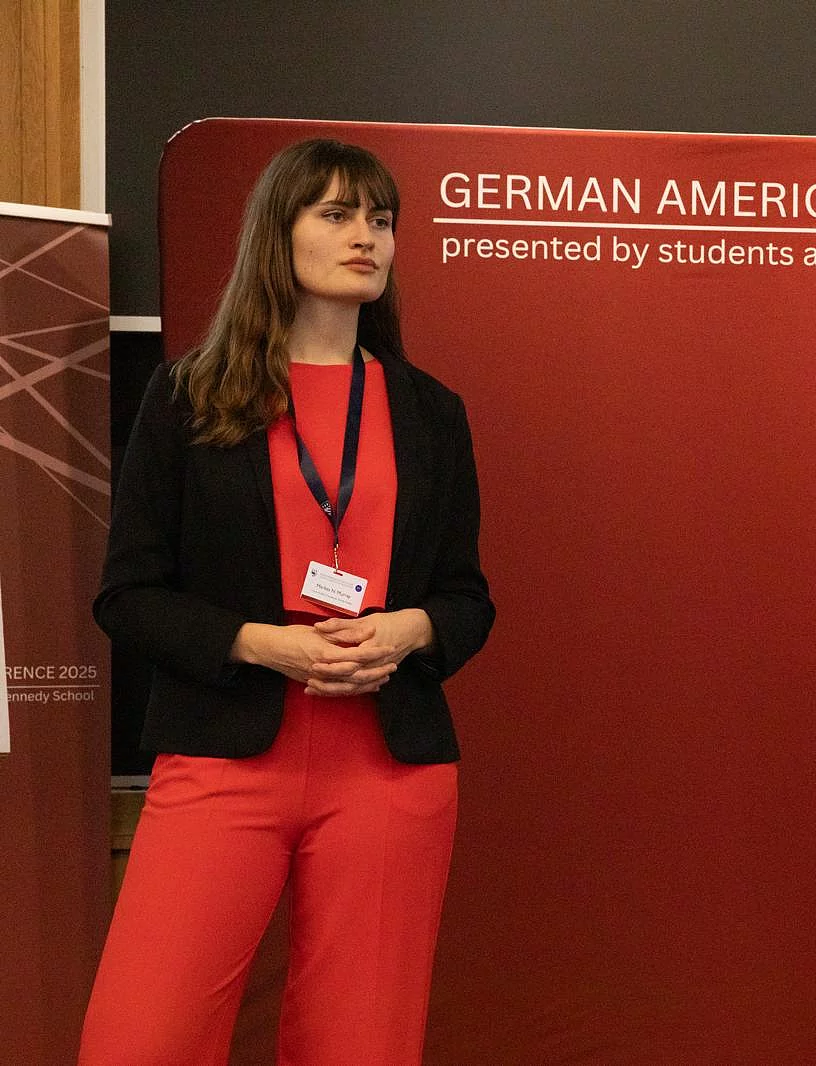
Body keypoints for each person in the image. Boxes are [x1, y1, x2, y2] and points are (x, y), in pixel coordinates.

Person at [79, 139, 494, 1066]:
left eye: (381, 220)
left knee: (361, 1047)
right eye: (337, 215)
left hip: (389, 772)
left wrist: (411, 629)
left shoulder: (432, 412)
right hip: (225, 757)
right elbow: (128, 596)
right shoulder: (189, 396)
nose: (366, 238)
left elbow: (467, 599)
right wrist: (266, 645)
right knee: (141, 1039)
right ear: (280, 233)